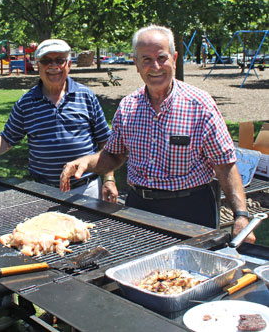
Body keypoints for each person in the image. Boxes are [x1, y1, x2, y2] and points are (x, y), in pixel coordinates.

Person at [60, 25, 254, 242]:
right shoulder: (128, 106)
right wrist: (88, 162)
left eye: (162, 57)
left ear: (174, 58)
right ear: (136, 64)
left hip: (191, 210)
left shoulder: (200, 105)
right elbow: (114, 155)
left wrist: (241, 216)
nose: (155, 66)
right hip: (139, 207)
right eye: (146, 59)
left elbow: (225, 164)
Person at [0, 38, 118, 202]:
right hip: (44, 191)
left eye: (60, 60)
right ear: (38, 65)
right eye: (46, 61)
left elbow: (106, 143)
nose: (54, 66)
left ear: (68, 64)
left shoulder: (86, 97)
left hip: (86, 188)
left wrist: (109, 178)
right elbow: (6, 139)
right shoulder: (26, 103)